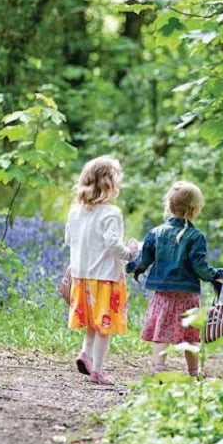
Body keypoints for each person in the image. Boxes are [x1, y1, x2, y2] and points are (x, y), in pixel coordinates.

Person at [128, 181, 223, 378]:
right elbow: (199, 267)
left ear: (168, 205)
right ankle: (194, 370)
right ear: (195, 210)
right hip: (187, 294)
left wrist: (132, 267)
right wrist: (216, 275)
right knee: (191, 333)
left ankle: (158, 368)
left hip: (164, 294)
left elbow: (145, 260)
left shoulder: (156, 233)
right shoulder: (196, 236)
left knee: (161, 331)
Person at [65, 156, 137, 385]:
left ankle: (85, 354)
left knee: (91, 323)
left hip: (81, 276)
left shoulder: (75, 211)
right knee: (104, 326)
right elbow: (113, 244)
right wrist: (130, 254)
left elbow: (69, 239)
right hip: (105, 277)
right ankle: (97, 370)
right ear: (109, 184)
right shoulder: (111, 212)